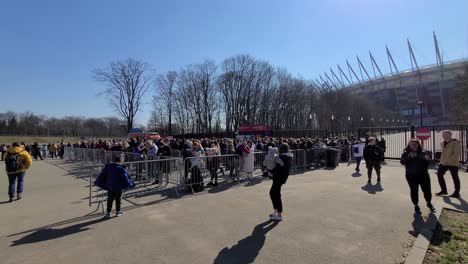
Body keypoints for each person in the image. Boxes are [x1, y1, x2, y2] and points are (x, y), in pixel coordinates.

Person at [400, 139, 435, 214]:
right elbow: (402, 162)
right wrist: (409, 157)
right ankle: (416, 205)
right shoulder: (406, 153)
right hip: (411, 177)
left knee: (427, 190)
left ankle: (429, 202)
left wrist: (429, 160)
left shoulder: (424, 153)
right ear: (409, 145)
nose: (413, 145)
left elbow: (432, 163)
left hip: (424, 176)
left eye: (415, 144)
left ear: (418, 145)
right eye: (411, 144)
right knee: (414, 191)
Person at [269, 143, 293, 221]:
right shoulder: (287, 156)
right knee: (274, 193)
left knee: (274, 193)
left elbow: (277, 168)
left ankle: (279, 214)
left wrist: (269, 170)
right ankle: (276, 211)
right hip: (281, 177)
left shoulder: (283, 157)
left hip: (279, 177)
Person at [436, 130, 462, 198]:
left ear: (449, 135)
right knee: (439, 174)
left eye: (444, 134)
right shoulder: (442, 143)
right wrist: (441, 161)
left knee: (455, 177)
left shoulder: (455, 142)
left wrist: (447, 161)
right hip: (443, 162)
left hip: (452, 163)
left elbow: (456, 154)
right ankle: (444, 190)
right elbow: (443, 153)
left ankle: (456, 193)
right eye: (442, 134)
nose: (442, 136)